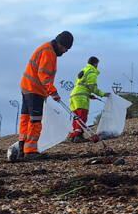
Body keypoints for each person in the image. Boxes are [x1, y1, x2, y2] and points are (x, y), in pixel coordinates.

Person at [10, 31, 74, 161]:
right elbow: (44, 75)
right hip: (35, 90)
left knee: (26, 119)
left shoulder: (46, 48)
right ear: (60, 44)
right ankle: (30, 151)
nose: (65, 51)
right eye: (65, 48)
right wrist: (53, 92)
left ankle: (22, 150)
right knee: (35, 120)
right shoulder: (49, 52)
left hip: (27, 87)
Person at [67, 56, 108, 142]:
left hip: (74, 95)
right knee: (82, 116)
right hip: (81, 97)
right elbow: (92, 87)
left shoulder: (84, 70)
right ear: (95, 64)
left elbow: (82, 85)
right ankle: (78, 136)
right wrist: (103, 94)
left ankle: (74, 136)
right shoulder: (91, 72)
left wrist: (89, 95)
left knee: (76, 117)